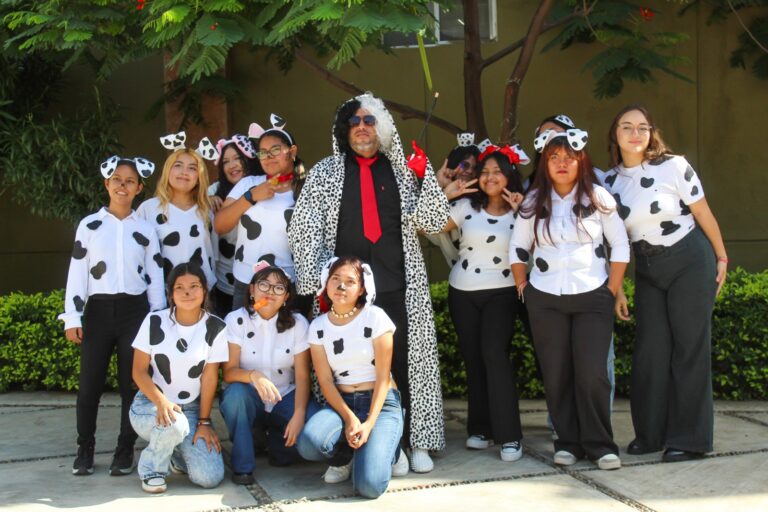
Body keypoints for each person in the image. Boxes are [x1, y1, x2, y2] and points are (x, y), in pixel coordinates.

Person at [289, 93, 449, 472]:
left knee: (405, 364)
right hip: (345, 293)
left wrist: (425, 175)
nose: (362, 126)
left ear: (382, 126)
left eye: (370, 120)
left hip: (398, 285)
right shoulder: (325, 172)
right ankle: (346, 449)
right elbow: (304, 227)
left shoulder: (403, 170)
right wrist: (314, 283)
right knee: (345, 369)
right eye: (354, 121)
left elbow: (434, 220)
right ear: (343, 130)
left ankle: (413, 440)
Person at [606, 104, 728, 462]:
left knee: (689, 349)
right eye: (627, 127)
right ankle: (651, 434)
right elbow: (614, 241)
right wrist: (619, 287)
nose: (635, 133)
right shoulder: (607, 182)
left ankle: (689, 440)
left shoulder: (674, 166)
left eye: (642, 127)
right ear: (614, 134)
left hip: (690, 260)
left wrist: (721, 257)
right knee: (650, 353)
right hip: (647, 268)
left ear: (651, 133)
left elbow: (703, 212)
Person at [510, 128, 629, 470]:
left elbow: (619, 245)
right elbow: (517, 247)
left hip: (592, 296)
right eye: (553, 158)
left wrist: (610, 288)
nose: (561, 164)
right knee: (556, 373)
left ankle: (600, 444)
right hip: (545, 298)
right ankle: (567, 442)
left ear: (581, 160)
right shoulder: (533, 202)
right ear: (545, 163)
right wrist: (523, 284)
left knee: (592, 372)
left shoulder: (599, 199)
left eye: (568, 157)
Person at [59, 155, 165, 476]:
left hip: (135, 312)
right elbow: (78, 271)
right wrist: (73, 316)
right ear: (106, 184)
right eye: (117, 179)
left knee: (130, 383)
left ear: (139, 188)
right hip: (99, 311)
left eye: (129, 181)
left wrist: (158, 318)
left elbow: (155, 274)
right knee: (89, 383)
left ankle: (124, 447)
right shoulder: (90, 225)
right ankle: (85, 447)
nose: (122, 185)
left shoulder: (145, 229)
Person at [440, 144, 527, 461]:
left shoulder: (524, 208)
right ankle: (480, 428)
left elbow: (540, 243)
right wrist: (445, 194)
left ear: (509, 176)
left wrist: (523, 212)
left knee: (494, 354)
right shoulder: (465, 207)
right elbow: (424, 227)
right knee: (474, 359)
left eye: (497, 171)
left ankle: (509, 435)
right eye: (485, 171)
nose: (490, 177)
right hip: (462, 291)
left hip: (502, 291)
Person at [297, 256, 406, 498]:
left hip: (380, 402)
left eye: (350, 281)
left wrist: (367, 423)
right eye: (335, 279)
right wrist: (349, 419)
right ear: (326, 283)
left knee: (369, 487)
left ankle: (392, 449)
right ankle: (346, 454)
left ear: (361, 289)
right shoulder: (318, 326)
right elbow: (325, 381)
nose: (341, 286)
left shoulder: (375, 317)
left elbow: (383, 377)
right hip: (343, 403)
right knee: (308, 444)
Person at [129, 263, 228, 493]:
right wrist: (161, 402)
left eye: (194, 286)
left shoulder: (216, 327)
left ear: (204, 290)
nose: (187, 292)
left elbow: (210, 378)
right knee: (175, 425)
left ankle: (174, 451)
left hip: (191, 409)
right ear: (170, 293)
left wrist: (204, 422)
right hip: (151, 404)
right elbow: (138, 371)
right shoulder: (154, 321)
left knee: (210, 477)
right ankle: (151, 469)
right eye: (179, 287)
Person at [219, 261, 319, 485]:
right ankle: (243, 467)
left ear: (286, 297)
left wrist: (299, 415)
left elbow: (302, 376)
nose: (270, 292)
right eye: (264, 285)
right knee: (235, 395)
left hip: (285, 397)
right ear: (252, 290)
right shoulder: (236, 320)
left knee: (301, 446)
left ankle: (273, 441)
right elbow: (229, 372)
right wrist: (254, 375)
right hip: (249, 397)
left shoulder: (298, 324)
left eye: (279, 288)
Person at [214, 114, 306, 312]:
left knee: (286, 340)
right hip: (247, 283)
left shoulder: (306, 189)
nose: (269, 156)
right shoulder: (248, 184)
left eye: (275, 150)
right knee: (243, 338)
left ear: (292, 152)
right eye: (263, 152)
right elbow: (220, 225)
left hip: (287, 287)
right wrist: (250, 197)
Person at [137, 132, 219, 289]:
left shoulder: (207, 211)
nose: (184, 172)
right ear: (168, 171)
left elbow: (214, 257)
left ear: (199, 177)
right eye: (178, 165)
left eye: (192, 168)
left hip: (202, 295)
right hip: (162, 295)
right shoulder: (148, 209)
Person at [208, 135, 257, 316]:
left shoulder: (261, 187)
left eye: (237, 158)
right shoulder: (215, 190)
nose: (231, 165)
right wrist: (208, 200)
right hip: (223, 281)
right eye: (226, 161)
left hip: (254, 279)